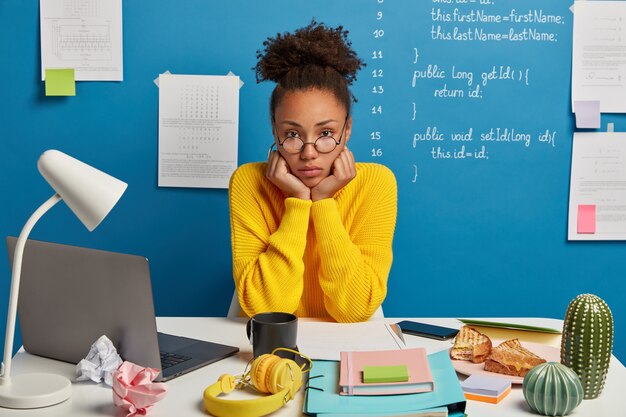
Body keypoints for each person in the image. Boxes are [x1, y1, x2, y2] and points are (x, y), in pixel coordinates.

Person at [229, 21, 397, 322]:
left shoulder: (376, 182)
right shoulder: (248, 181)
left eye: (326, 133)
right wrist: (297, 202)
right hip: (270, 349)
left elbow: (353, 310)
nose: (308, 153)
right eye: (292, 135)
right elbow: (267, 310)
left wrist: (323, 202)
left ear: (346, 131)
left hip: (345, 345)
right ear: (274, 131)